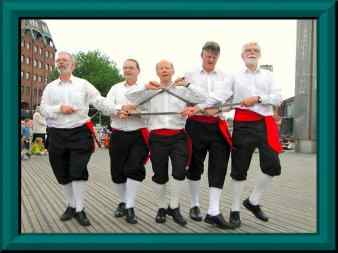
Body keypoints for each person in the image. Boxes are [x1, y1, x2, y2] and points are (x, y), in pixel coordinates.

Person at [40, 51, 115, 227]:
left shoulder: (83, 84)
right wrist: (59, 108)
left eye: (65, 60)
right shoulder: (50, 87)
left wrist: (117, 109)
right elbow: (43, 109)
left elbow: (99, 101)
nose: (61, 62)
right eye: (58, 60)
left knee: (77, 170)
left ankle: (80, 209)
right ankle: (71, 205)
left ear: (73, 65)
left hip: (79, 133)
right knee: (61, 172)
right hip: (56, 134)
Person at [126, 60, 205, 227]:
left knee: (179, 172)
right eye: (160, 68)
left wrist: (188, 84)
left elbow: (203, 98)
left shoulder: (182, 90)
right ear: (157, 72)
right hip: (157, 137)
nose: (164, 70)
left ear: (173, 70)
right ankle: (161, 207)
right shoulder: (150, 91)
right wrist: (145, 87)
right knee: (160, 175)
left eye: (167, 67)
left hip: (178, 136)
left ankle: (174, 207)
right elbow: (130, 96)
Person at [228, 42, 283, 228]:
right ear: (242, 55)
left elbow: (278, 98)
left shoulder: (269, 75)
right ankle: (234, 211)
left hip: (264, 123)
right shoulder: (233, 76)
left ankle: (252, 201)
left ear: (260, 55)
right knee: (239, 168)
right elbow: (224, 97)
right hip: (242, 123)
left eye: (255, 51)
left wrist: (259, 98)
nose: (252, 53)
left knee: (273, 166)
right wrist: (202, 107)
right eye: (248, 51)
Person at [180, 41, 234, 229]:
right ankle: (195, 205)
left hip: (218, 124)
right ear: (201, 55)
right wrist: (205, 107)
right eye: (208, 55)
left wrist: (218, 108)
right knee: (194, 165)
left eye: (214, 56)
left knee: (219, 167)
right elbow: (185, 98)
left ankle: (213, 211)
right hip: (195, 125)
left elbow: (229, 99)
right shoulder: (189, 75)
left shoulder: (226, 76)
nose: (210, 59)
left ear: (218, 57)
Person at [103, 59, 149, 224]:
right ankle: (122, 202)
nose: (127, 70)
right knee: (117, 172)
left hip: (138, 135)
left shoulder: (144, 89)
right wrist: (119, 110)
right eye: (125, 68)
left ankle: (130, 206)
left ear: (138, 70)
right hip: (118, 134)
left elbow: (149, 110)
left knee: (134, 168)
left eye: (131, 68)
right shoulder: (115, 88)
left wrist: (134, 111)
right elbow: (105, 106)